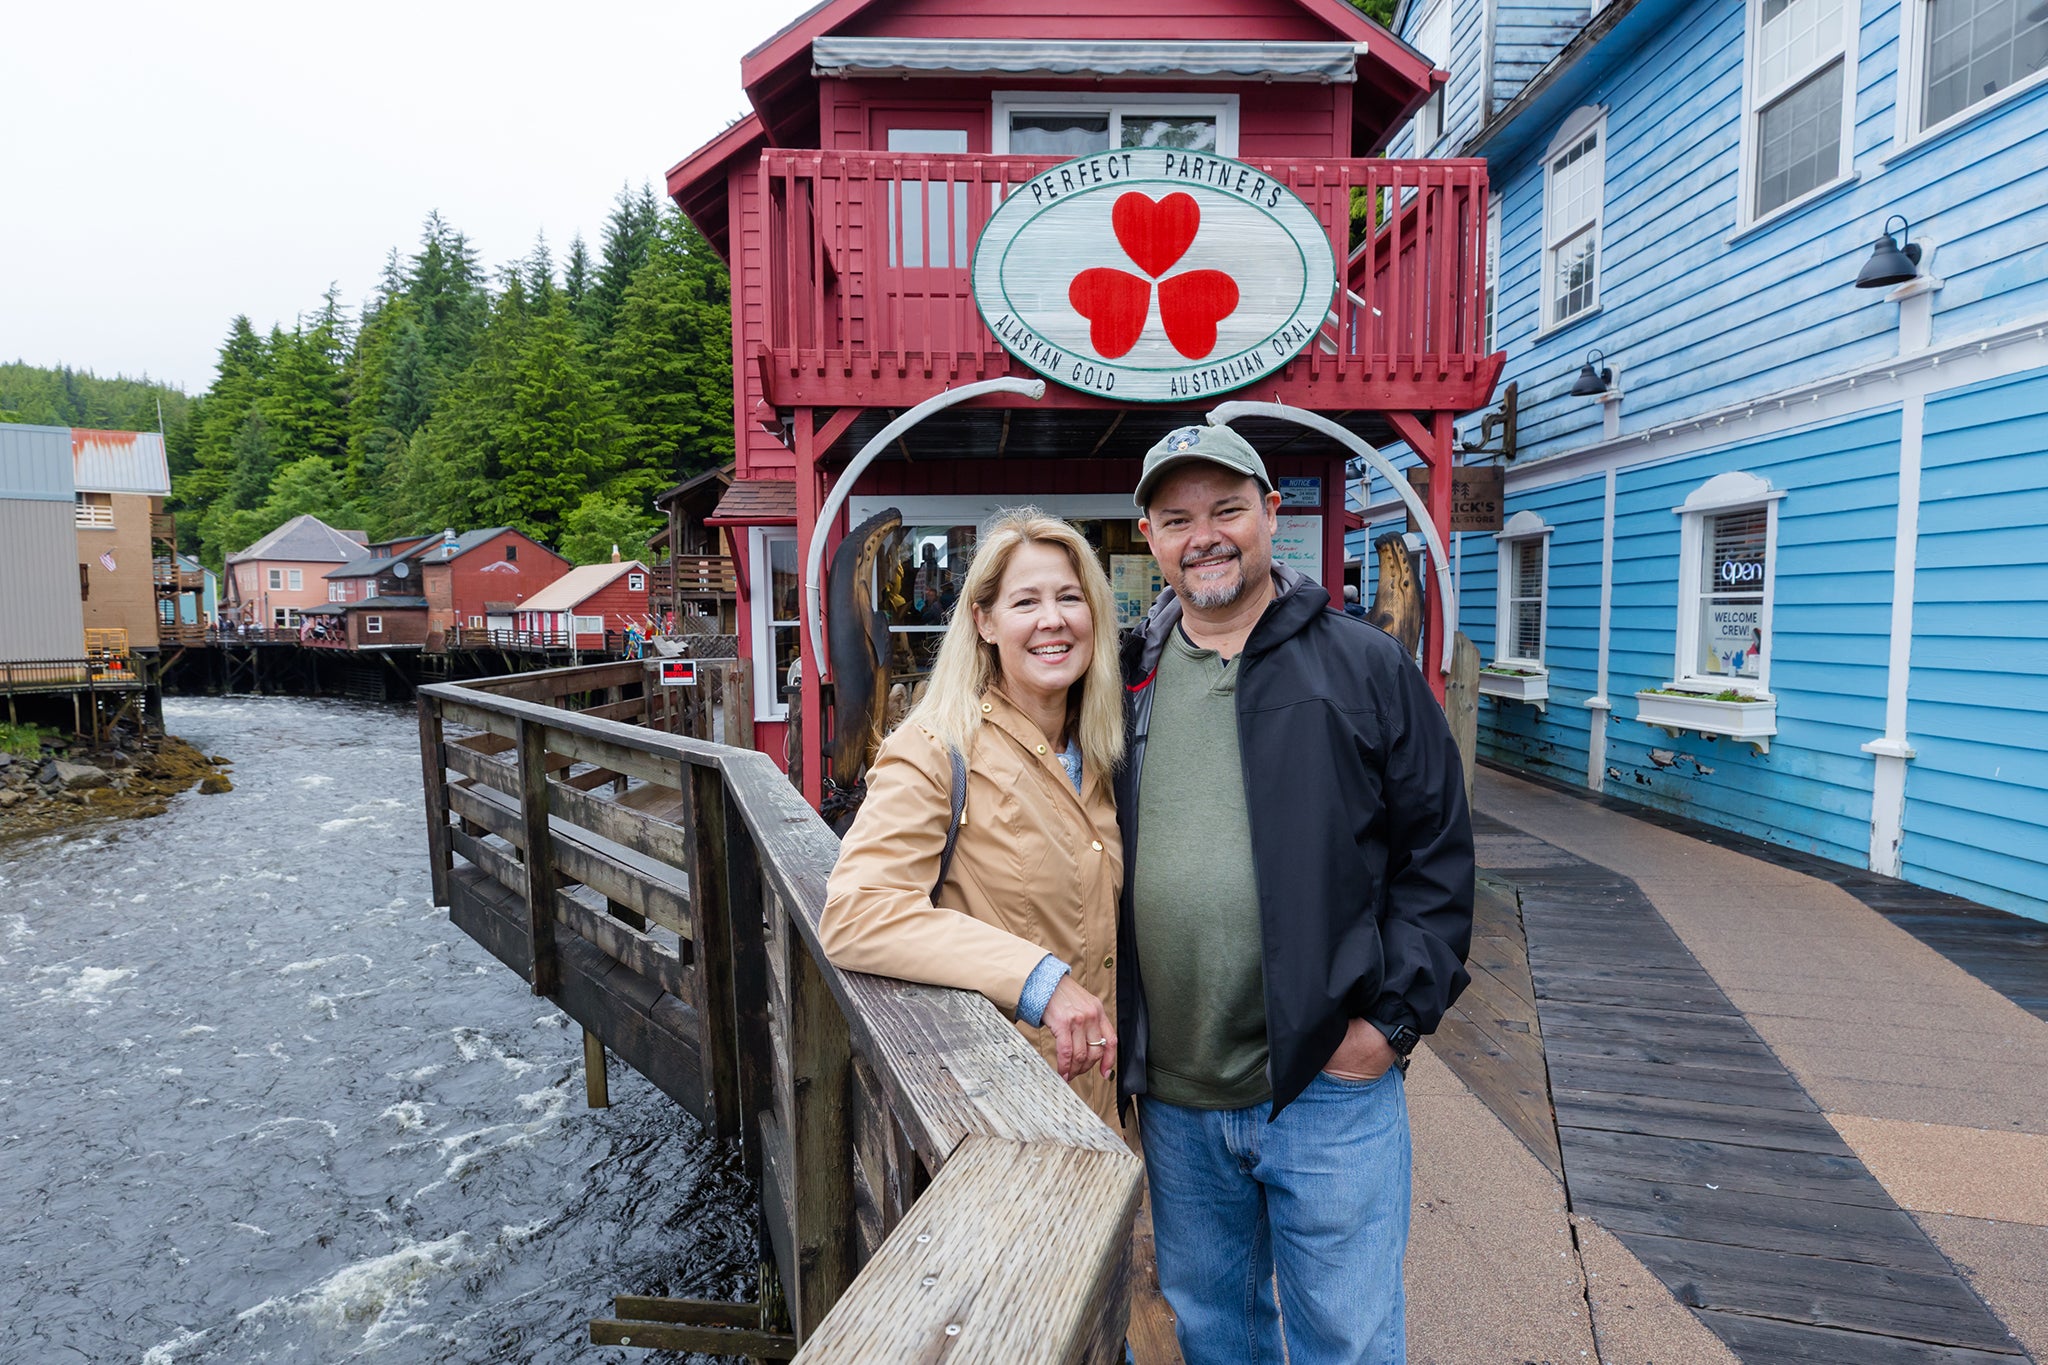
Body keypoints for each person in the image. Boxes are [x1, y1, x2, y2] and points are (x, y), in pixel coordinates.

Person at [1117, 424, 1474, 1365]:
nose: (1206, 536)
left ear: (1273, 514)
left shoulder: (1365, 666)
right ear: (1148, 535)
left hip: (1328, 1086)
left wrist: (1389, 1026)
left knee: (1345, 1342)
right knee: (1214, 1333)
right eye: (1179, 517)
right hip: (1179, 1099)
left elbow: (1437, 856)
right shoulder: (1125, 681)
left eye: (1228, 509)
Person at [821, 509, 1127, 1125]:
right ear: (983, 621)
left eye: (1071, 597)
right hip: (1004, 1110)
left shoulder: (1103, 753)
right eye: (1025, 602)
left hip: (1106, 1104)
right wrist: (1038, 979)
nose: (1052, 620)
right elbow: (857, 914)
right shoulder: (936, 746)